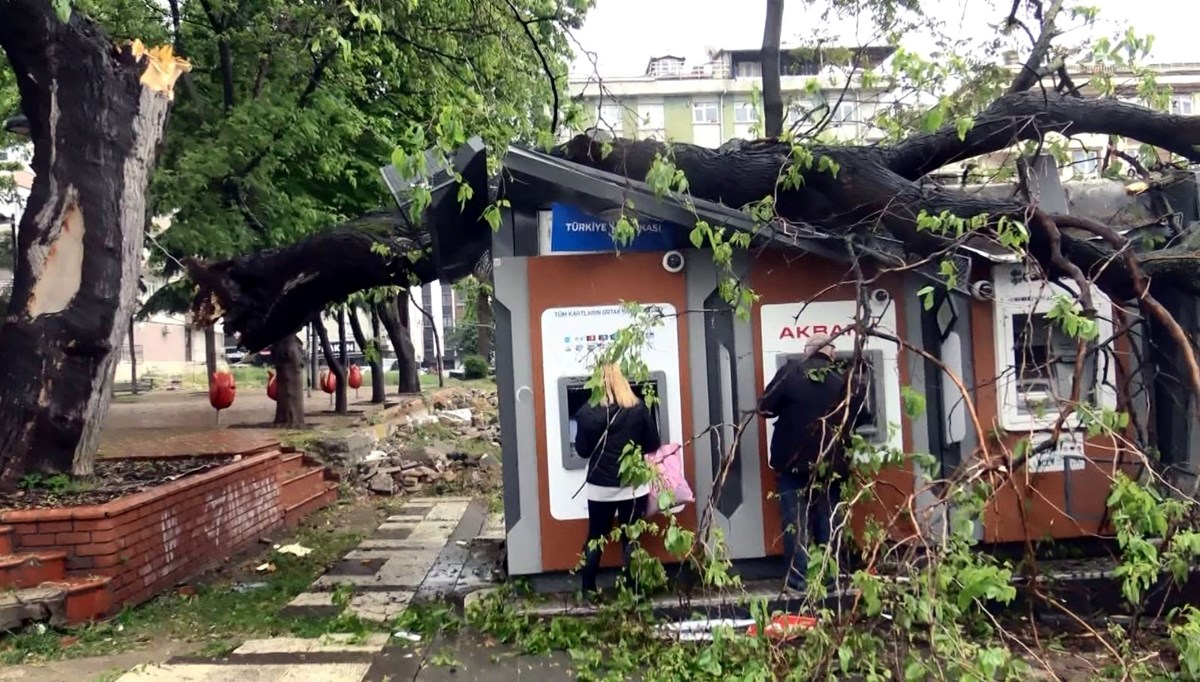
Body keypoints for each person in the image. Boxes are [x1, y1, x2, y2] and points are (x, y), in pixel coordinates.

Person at [760, 333, 871, 592]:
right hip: (832, 464)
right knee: (828, 521)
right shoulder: (845, 379)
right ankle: (828, 580)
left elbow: (765, 407)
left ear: (807, 352)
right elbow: (862, 418)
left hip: (792, 463)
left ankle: (799, 582)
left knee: (796, 522)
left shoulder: (790, 372)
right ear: (831, 353)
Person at [573, 363, 662, 596]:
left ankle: (588, 590)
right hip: (633, 485)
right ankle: (633, 593)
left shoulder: (586, 412)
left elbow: (582, 451)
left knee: (595, 537)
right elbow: (653, 444)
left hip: (600, 487)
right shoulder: (638, 409)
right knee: (631, 539)